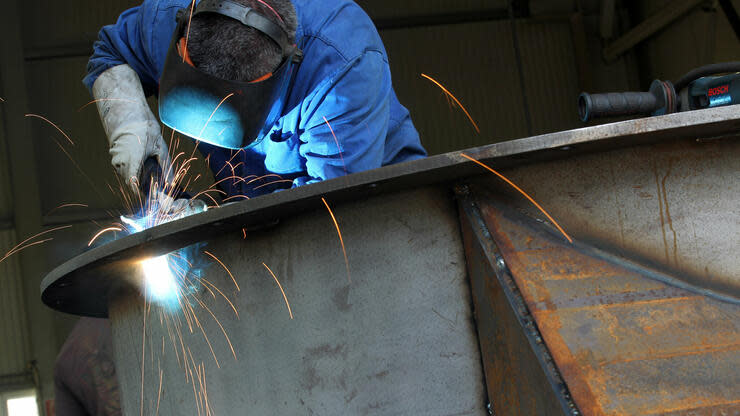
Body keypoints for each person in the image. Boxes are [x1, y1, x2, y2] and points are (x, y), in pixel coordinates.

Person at [86, 0, 426, 201]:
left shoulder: (339, 68)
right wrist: (141, 154)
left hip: (375, 209)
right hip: (248, 198)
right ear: (182, 38)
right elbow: (112, 54)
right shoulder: (165, 20)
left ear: (280, 71)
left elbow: (329, 217)